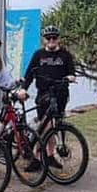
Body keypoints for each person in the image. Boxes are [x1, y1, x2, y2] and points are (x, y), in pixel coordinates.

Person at [17, 25, 76, 171]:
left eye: (54, 38)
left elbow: (72, 72)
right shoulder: (38, 55)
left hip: (60, 95)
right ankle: (37, 158)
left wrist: (71, 77)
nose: (51, 40)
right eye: (48, 38)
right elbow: (29, 74)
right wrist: (24, 88)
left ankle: (49, 156)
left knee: (54, 127)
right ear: (44, 40)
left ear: (58, 39)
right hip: (44, 94)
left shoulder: (66, 55)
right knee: (45, 127)